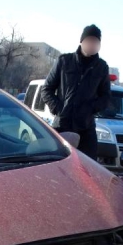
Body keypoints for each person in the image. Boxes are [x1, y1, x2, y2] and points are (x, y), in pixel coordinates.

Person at [40, 24, 111, 159]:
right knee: (58, 166)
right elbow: (46, 89)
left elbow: (106, 97)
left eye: (96, 41)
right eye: (90, 40)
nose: (93, 44)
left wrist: (90, 109)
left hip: (86, 128)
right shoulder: (64, 61)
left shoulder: (101, 67)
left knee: (87, 169)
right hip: (62, 126)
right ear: (82, 41)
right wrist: (59, 109)